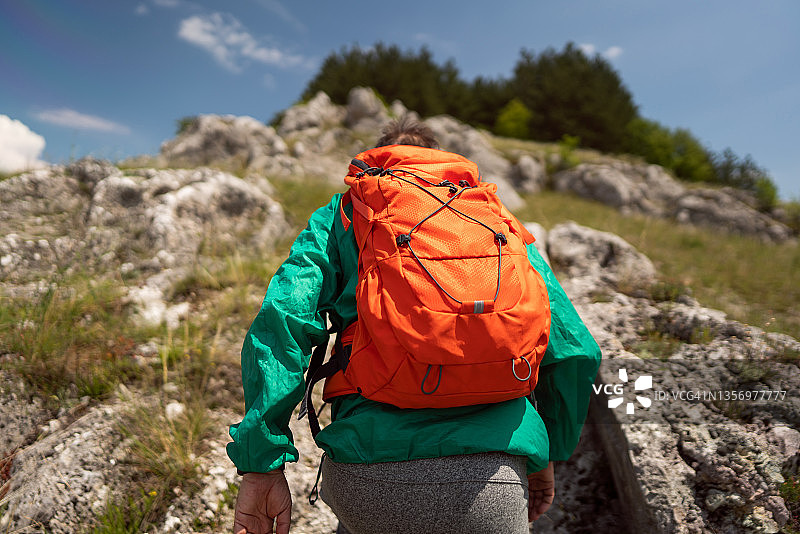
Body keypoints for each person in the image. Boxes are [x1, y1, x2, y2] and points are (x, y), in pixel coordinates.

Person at [228, 117, 601, 534]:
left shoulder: (347, 211)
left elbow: (284, 319)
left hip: (368, 476)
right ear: (440, 159)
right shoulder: (495, 217)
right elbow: (575, 351)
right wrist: (545, 452)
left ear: (380, 158)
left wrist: (261, 464)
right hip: (494, 476)